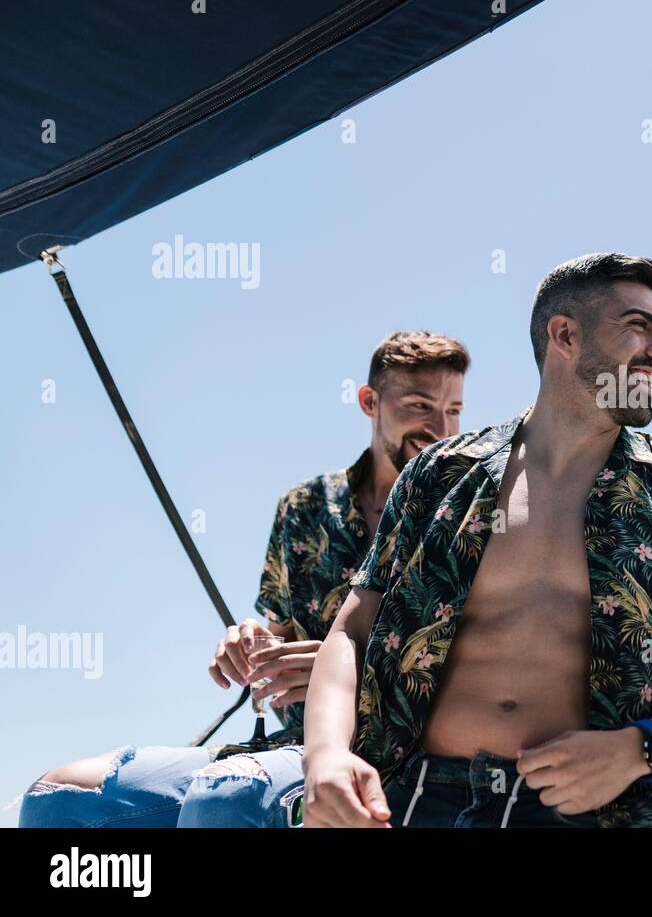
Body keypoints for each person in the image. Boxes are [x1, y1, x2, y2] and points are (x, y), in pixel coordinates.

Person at [302, 253, 652, 828]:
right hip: (413, 797)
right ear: (565, 335)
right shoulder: (442, 472)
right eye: (637, 325)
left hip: (596, 810)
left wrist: (638, 751)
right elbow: (350, 632)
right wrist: (325, 753)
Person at [19, 331, 469, 827]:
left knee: (227, 798)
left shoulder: (464, 516)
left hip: (393, 758)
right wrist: (249, 643)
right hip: (284, 750)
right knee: (58, 799)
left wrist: (339, 667)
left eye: (453, 410)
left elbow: (484, 670)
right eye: (420, 405)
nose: (439, 427)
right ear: (369, 402)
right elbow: (278, 634)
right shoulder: (305, 506)